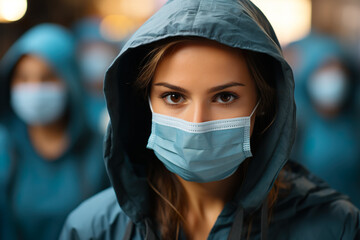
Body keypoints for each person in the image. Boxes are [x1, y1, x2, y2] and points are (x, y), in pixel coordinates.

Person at [60, 0, 360, 239]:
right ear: (143, 104)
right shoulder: (93, 229)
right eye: (174, 97)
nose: (197, 123)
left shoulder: (333, 226)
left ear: (265, 104)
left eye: (225, 97)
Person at [0, 23, 109, 240]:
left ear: (71, 81)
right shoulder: (4, 149)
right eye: (23, 78)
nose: (34, 88)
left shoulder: (101, 152)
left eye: (47, 77)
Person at [285, 33, 360, 207]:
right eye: (324, 69)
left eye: (337, 69)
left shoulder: (354, 122)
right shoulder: (297, 124)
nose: (331, 78)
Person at [72, 17, 120, 135]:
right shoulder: (73, 101)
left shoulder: (124, 101)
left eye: (101, 47)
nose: (95, 54)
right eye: (88, 47)